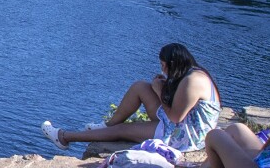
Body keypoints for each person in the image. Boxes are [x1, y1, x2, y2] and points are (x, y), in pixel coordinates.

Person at [42, 43, 222, 154]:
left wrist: (159, 91)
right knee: (141, 87)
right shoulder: (192, 71)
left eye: (163, 65)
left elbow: (176, 117)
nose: (162, 68)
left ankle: (64, 137)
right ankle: (108, 125)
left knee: (122, 130)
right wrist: (162, 86)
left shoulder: (193, 81)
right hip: (183, 125)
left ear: (172, 64)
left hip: (185, 135)